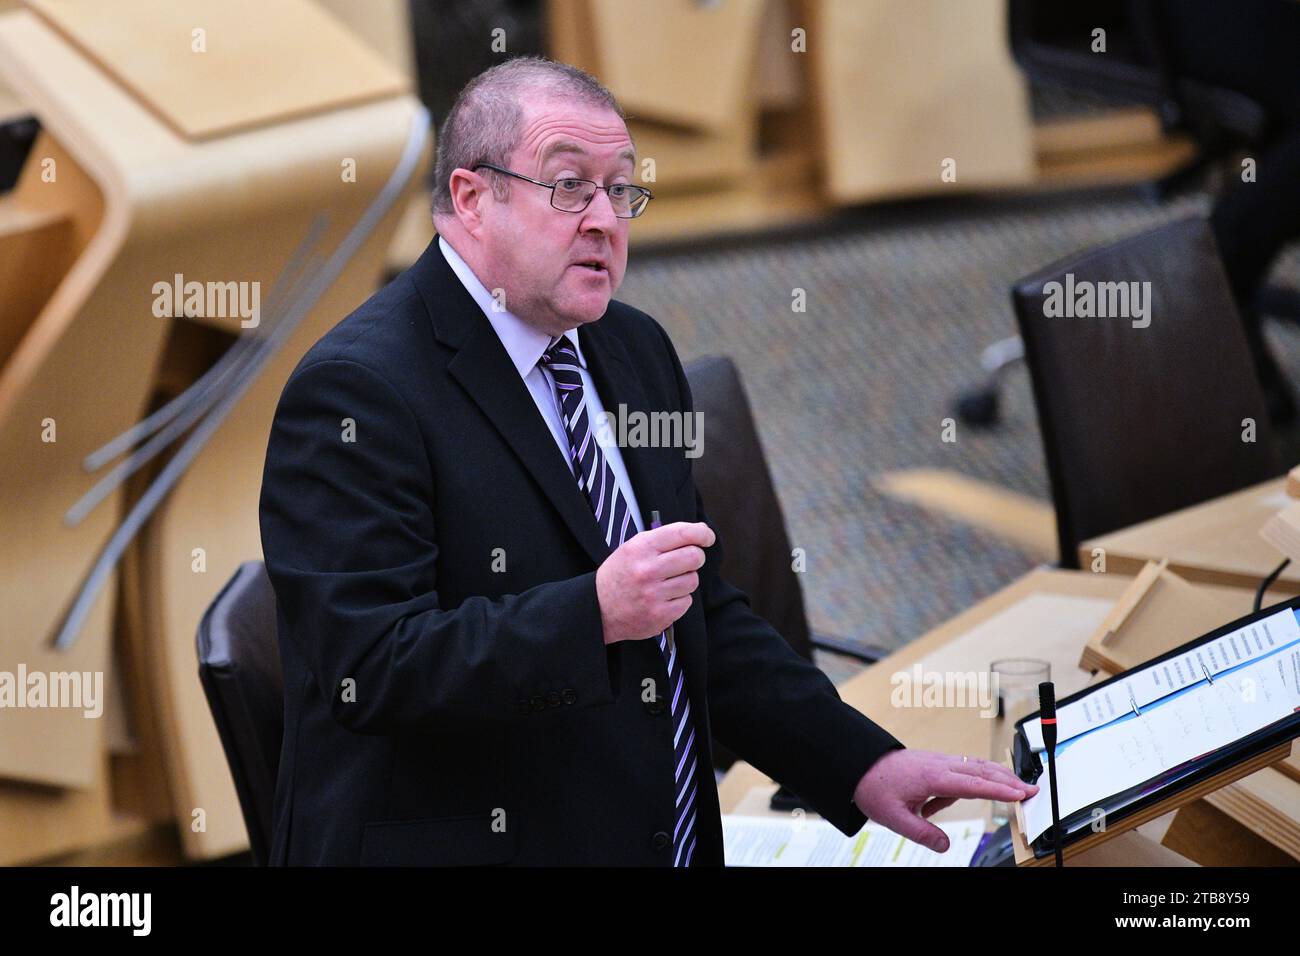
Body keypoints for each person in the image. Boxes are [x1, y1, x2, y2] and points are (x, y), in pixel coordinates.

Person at [258, 56, 1035, 866]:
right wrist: (591, 613)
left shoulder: (631, 349)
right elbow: (373, 669)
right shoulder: (358, 392)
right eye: (569, 186)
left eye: (621, 189)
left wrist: (862, 763)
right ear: (472, 198)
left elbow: (692, 608)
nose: (604, 219)